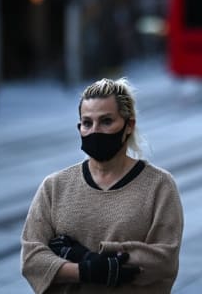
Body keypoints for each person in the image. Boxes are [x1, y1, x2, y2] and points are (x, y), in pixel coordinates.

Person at [21, 77, 184, 293]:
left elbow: (164, 261)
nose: (95, 130)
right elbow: (32, 259)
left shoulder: (160, 186)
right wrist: (88, 269)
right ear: (79, 127)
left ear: (129, 125)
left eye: (106, 121)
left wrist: (82, 256)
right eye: (87, 123)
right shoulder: (54, 186)